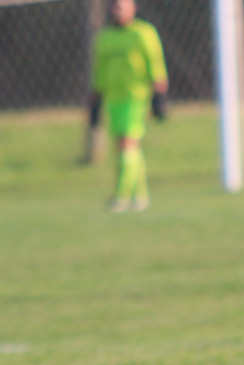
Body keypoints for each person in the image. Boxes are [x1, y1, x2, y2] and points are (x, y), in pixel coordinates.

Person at [89, 0, 167, 212]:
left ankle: (121, 196)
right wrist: (96, 101)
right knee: (127, 149)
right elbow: (100, 71)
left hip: (136, 97)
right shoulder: (105, 37)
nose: (117, 10)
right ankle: (141, 196)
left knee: (127, 145)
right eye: (114, 6)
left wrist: (159, 96)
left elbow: (155, 63)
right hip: (114, 99)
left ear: (133, 8)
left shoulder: (143, 33)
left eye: (122, 6)